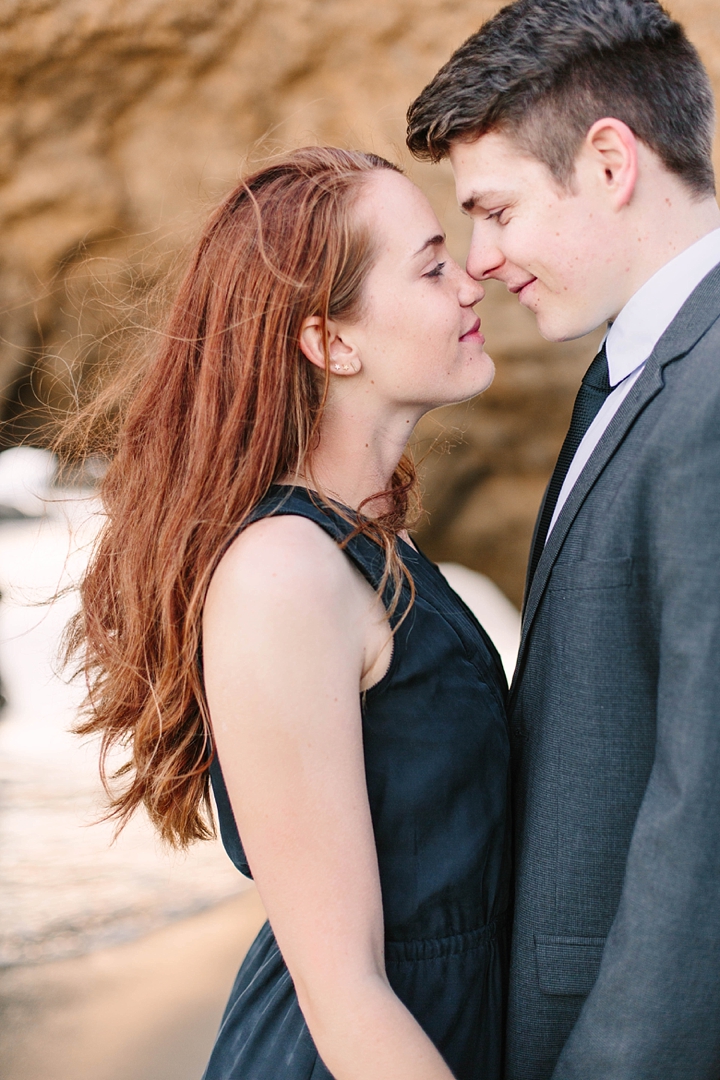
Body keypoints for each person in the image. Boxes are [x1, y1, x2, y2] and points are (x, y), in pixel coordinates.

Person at [67, 147, 511, 1080]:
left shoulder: (368, 543)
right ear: (331, 342)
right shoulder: (284, 575)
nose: (472, 281)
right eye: (431, 266)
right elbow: (343, 987)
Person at [407, 1, 720, 1077]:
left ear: (607, 161)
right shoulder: (638, 376)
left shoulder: (713, 391)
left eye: (495, 210)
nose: (482, 259)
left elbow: (708, 800)